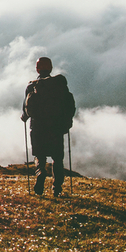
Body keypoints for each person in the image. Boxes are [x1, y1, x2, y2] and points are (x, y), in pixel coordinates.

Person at [20, 56, 76, 197]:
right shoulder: (60, 85)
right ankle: (57, 188)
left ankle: (41, 173)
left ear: (37, 69)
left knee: (40, 155)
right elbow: (68, 104)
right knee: (57, 158)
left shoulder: (32, 86)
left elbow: (26, 110)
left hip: (38, 127)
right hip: (56, 127)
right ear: (50, 68)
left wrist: (24, 118)